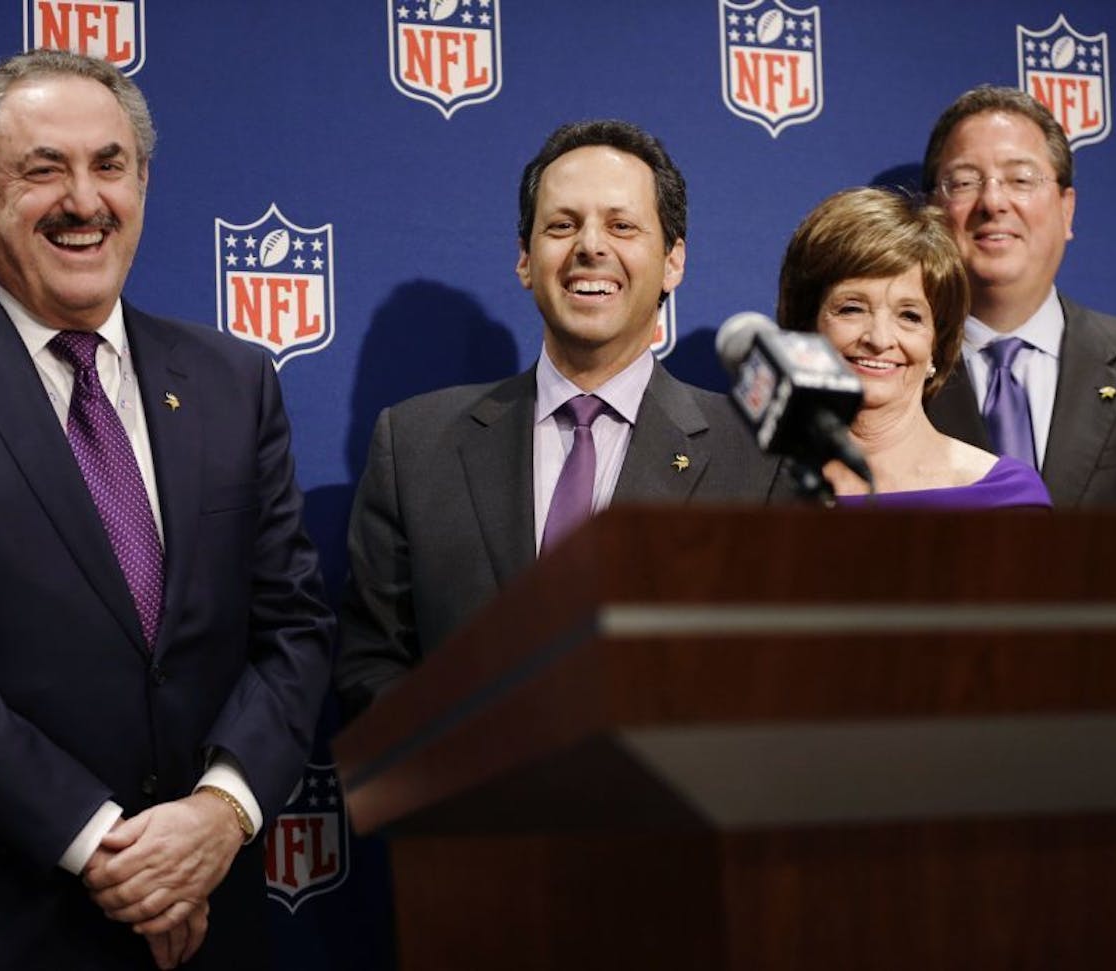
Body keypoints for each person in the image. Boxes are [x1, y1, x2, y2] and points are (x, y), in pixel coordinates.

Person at [0, 50, 333, 970]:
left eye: (109, 165)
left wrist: (220, 813)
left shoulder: (235, 380)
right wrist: (103, 842)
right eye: (43, 168)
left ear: (143, 182)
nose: (83, 200)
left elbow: (293, 626)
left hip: (213, 923)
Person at [334, 119, 783, 719]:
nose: (591, 246)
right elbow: (368, 663)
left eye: (622, 225)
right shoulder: (414, 447)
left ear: (673, 261)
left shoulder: (758, 460)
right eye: (562, 225)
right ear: (525, 259)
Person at [777, 186, 1050, 508]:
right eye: (851, 308)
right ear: (807, 326)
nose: (879, 339)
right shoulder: (750, 481)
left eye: (909, 316)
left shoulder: (1004, 497)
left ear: (938, 342)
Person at [920, 85, 1116, 506]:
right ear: (932, 213)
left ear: (1067, 209)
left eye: (1020, 179)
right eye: (964, 182)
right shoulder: (892, 370)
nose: (993, 201)